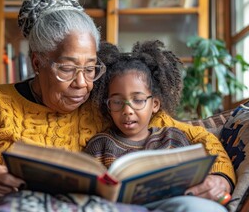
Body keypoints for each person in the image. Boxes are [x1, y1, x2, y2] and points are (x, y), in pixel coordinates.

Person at [0, 0, 235, 212]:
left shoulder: (106, 99)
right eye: (67, 68)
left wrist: (222, 178)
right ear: (38, 63)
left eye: (91, 68)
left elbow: (201, 138)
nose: (83, 84)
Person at [85, 40, 233, 212]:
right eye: (117, 102)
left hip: (172, 204)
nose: (127, 110)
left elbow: (192, 181)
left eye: (138, 100)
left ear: (154, 104)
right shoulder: (100, 145)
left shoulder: (173, 138)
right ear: (108, 105)